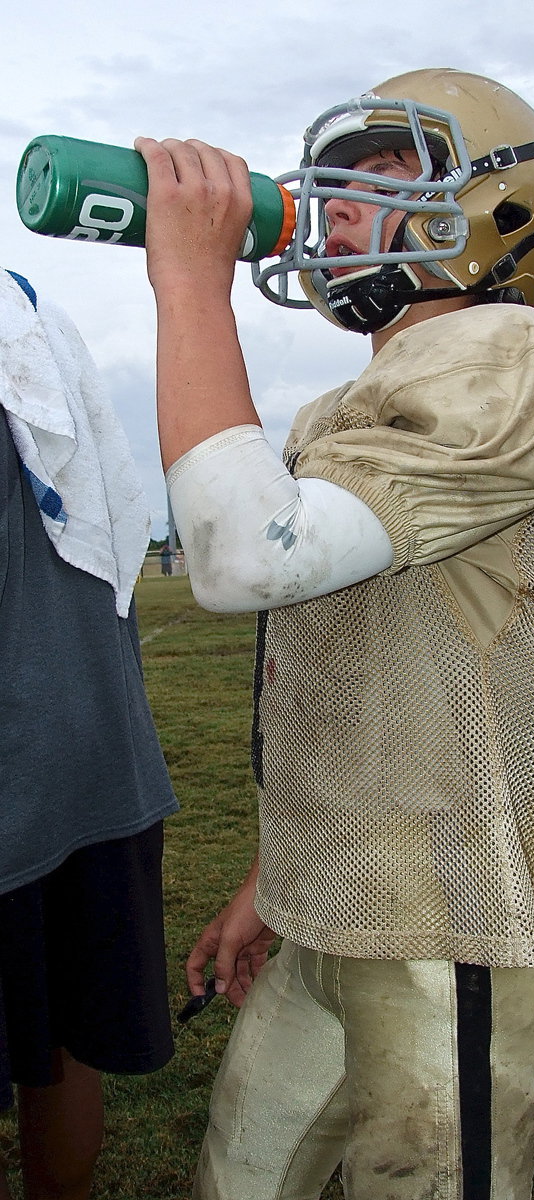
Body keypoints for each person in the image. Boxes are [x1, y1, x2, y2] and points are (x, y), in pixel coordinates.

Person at [136, 67, 534, 1200]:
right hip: (334, 900)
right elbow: (348, 668)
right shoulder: (344, 405)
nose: (333, 203)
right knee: (240, 1178)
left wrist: (189, 283)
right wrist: (279, 875)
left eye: (379, 177)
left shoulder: (524, 356)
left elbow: (251, 557)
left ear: (497, 209)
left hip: (451, 914)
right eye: (334, 178)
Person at [0, 269, 178, 1200]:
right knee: (70, 1043)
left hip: (35, 768)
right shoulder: (36, 324)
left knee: (64, 1043)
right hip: (96, 760)